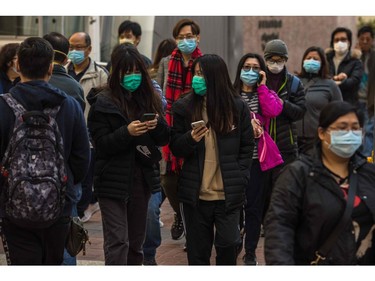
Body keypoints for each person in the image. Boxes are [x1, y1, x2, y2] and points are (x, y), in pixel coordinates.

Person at [0, 36, 90, 265]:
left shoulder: (3, 106)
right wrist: (66, 185)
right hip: (58, 206)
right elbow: (81, 159)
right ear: (51, 67)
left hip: (13, 207)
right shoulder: (69, 105)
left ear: (18, 65)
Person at [87, 43, 169, 265]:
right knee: (118, 242)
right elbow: (101, 144)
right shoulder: (102, 102)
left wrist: (157, 125)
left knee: (135, 243)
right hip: (111, 181)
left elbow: (164, 138)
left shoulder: (148, 98)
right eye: (127, 72)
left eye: (136, 71)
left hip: (141, 180)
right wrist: (127, 132)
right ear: (116, 73)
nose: (133, 76)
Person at [264, 100, 375, 265]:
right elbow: (279, 229)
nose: (349, 134)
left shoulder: (368, 173)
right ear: (322, 133)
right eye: (342, 128)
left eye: (355, 128)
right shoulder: (298, 175)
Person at [169, 54, 254, 265]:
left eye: (202, 75)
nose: (196, 79)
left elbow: (246, 146)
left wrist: (241, 174)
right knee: (198, 255)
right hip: (196, 196)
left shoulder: (237, 107)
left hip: (228, 195)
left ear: (216, 78)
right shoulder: (184, 106)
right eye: (195, 74)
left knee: (228, 246)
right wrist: (189, 139)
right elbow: (176, 147)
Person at [233, 53, 283, 265]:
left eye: (255, 68)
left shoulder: (266, 93)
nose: (250, 71)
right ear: (240, 69)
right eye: (246, 67)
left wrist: (262, 86)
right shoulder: (230, 94)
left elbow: (274, 110)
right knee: (234, 207)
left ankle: (250, 251)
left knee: (253, 208)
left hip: (257, 161)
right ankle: (234, 242)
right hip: (233, 160)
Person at [43, 31, 86, 266]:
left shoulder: (22, 86)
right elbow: (81, 144)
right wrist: (74, 178)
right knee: (66, 235)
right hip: (65, 175)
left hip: (28, 177)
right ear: (67, 55)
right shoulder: (73, 88)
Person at [159, 18, 203, 243]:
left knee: (193, 182)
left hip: (195, 125)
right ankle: (179, 213)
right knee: (168, 181)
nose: (185, 41)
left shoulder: (204, 63)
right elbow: (158, 91)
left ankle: (193, 232)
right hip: (170, 125)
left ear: (198, 37)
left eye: (189, 36)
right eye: (181, 37)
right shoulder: (168, 62)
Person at [261, 39, 306, 230]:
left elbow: (301, 111)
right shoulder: (257, 79)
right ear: (266, 59)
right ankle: (263, 222)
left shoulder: (294, 83)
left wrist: (281, 103)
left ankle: (280, 222)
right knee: (262, 189)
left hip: (284, 145)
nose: (275, 63)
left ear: (285, 60)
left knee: (283, 187)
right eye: (272, 59)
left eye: (280, 60)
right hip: (261, 143)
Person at [67, 31, 109, 223]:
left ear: (89, 49)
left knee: (85, 177)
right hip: (67, 134)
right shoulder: (63, 71)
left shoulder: (100, 75)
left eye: (79, 47)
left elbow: (105, 106)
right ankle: (76, 210)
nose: (74, 51)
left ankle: (82, 208)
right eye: (71, 47)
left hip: (89, 135)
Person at [142, 38, 176, 266]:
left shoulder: (155, 93)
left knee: (151, 214)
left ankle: (149, 256)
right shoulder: (109, 97)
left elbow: (164, 133)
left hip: (149, 165)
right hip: (120, 171)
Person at [296, 46, 343, 156]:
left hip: (317, 139)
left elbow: (339, 112)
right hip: (293, 140)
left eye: (315, 59)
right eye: (308, 58)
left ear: (322, 63)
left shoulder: (330, 85)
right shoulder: (294, 82)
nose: (311, 61)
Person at [326, 27, 363, 106]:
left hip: (348, 105)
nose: (340, 43)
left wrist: (337, 81)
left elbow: (354, 81)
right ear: (332, 43)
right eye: (336, 40)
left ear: (349, 42)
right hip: (328, 104)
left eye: (343, 39)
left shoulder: (356, 62)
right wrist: (335, 80)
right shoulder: (326, 60)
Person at [355, 25, 375, 157]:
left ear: (373, 40)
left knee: (368, 131)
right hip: (355, 101)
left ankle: (366, 160)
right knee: (355, 131)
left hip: (370, 102)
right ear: (358, 40)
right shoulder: (354, 57)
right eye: (362, 39)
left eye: (368, 39)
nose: (365, 41)